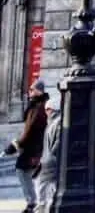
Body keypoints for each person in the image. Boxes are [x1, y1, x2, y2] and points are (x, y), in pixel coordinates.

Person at [5, 80, 48, 213]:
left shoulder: (39, 107)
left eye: (32, 89)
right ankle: (35, 202)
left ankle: (33, 203)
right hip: (32, 147)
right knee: (28, 173)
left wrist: (15, 145)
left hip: (34, 148)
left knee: (23, 170)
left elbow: (30, 130)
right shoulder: (35, 105)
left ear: (39, 91)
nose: (29, 92)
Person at [32, 98, 60, 213]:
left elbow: (58, 142)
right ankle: (49, 206)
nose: (45, 113)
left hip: (49, 162)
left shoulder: (56, 122)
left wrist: (51, 155)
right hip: (50, 160)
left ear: (50, 109)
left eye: (46, 110)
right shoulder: (53, 122)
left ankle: (42, 209)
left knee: (40, 184)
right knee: (52, 186)